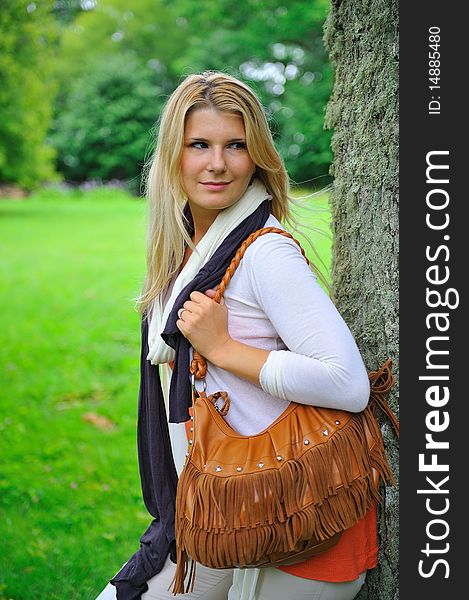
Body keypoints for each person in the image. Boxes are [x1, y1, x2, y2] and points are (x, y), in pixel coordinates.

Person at [96, 71, 376, 600]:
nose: (217, 163)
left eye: (236, 146)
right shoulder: (191, 254)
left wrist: (223, 349)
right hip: (223, 508)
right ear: (172, 155)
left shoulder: (264, 252)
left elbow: (347, 384)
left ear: (258, 157)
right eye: (199, 144)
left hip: (298, 517)